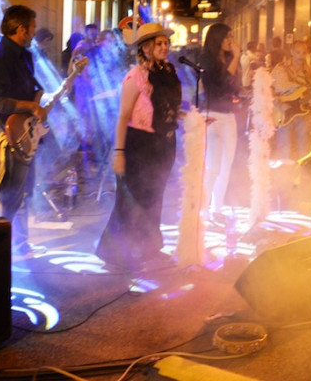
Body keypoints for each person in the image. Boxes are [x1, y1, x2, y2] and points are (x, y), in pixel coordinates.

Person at [96, 23, 182, 272]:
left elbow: (170, 109)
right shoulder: (136, 76)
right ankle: (116, 253)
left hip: (163, 143)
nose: (164, 47)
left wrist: (190, 117)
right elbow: (123, 116)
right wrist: (119, 153)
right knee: (130, 201)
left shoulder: (168, 71)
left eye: (166, 43)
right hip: (139, 144)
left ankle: (149, 250)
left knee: (154, 199)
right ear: (146, 47)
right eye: (159, 43)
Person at [0, 5, 47, 257]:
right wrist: (29, 105)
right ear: (21, 29)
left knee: (25, 190)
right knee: (8, 194)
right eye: (32, 27)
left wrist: (40, 105)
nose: (33, 32)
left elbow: (31, 90)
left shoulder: (25, 55)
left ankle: (20, 243)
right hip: (5, 134)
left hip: (26, 133)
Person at [198, 23, 241, 219]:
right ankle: (204, 209)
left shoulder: (230, 58)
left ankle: (217, 208)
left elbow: (232, 85)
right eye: (227, 37)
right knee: (213, 166)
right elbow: (221, 82)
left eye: (231, 36)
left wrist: (239, 94)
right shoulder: (206, 60)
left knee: (226, 165)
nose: (230, 41)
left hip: (229, 115)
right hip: (213, 115)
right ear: (217, 38)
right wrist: (238, 57)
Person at [271, 40, 311, 160]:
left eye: (303, 53)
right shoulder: (280, 68)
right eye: (298, 52)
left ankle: (303, 166)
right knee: (284, 142)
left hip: (302, 110)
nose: (301, 56)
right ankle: (284, 168)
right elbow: (268, 88)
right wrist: (280, 105)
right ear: (292, 52)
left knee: (303, 140)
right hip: (283, 110)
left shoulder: (309, 71)